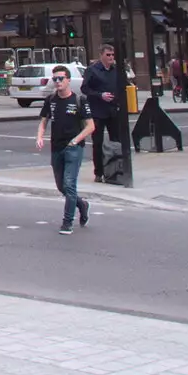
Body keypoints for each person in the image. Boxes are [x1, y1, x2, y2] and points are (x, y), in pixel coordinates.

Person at [37, 65, 95, 235]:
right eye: (55, 79)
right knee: (62, 186)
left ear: (68, 80)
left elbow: (91, 126)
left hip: (73, 148)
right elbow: (43, 121)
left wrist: (76, 140)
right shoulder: (51, 100)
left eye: (61, 78)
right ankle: (82, 205)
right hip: (57, 147)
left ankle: (67, 222)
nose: (58, 82)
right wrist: (40, 136)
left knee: (69, 184)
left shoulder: (79, 100)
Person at [80, 43, 124, 184]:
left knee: (116, 141)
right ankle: (99, 172)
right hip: (98, 111)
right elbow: (85, 89)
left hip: (113, 110)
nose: (111, 57)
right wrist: (100, 95)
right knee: (97, 143)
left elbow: (122, 86)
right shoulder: (92, 70)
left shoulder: (116, 70)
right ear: (101, 56)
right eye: (108, 55)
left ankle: (116, 169)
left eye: (112, 55)